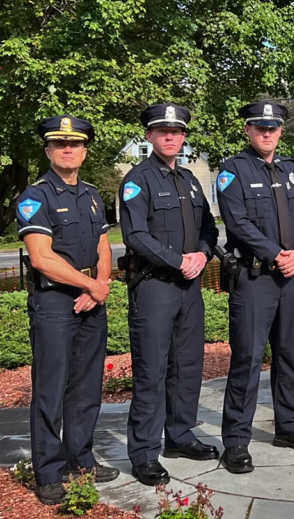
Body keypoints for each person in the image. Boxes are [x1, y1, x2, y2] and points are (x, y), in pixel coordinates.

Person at [216, 101, 294, 473]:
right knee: (247, 359)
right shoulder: (233, 171)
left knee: (290, 356)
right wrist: (278, 252)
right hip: (254, 279)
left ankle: (289, 426)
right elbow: (238, 222)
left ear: (280, 131)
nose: (267, 133)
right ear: (248, 129)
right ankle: (235, 442)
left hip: (291, 278)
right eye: (259, 127)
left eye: (273, 127)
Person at [17, 115, 118, 504]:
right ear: (48, 150)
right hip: (55, 302)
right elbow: (42, 258)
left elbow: (104, 248)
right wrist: (90, 284)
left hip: (92, 301)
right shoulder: (35, 197)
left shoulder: (92, 195)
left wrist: (100, 286)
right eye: (59, 144)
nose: (68, 149)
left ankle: (82, 456)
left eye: (75, 144)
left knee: (88, 385)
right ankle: (48, 471)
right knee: (51, 389)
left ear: (85, 151)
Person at [119, 103, 219, 486]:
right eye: (162, 131)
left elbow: (209, 227)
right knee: (152, 372)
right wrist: (179, 260)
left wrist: (202, 254)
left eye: (176, 131)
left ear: (183, 136)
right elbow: (135, 235)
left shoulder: (191, 180)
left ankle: (179, 436)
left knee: (188, 367)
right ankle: (144, 453)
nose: (170, 136)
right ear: (149, 136)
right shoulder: (138, 180)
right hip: (155, 287)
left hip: (189, 289)